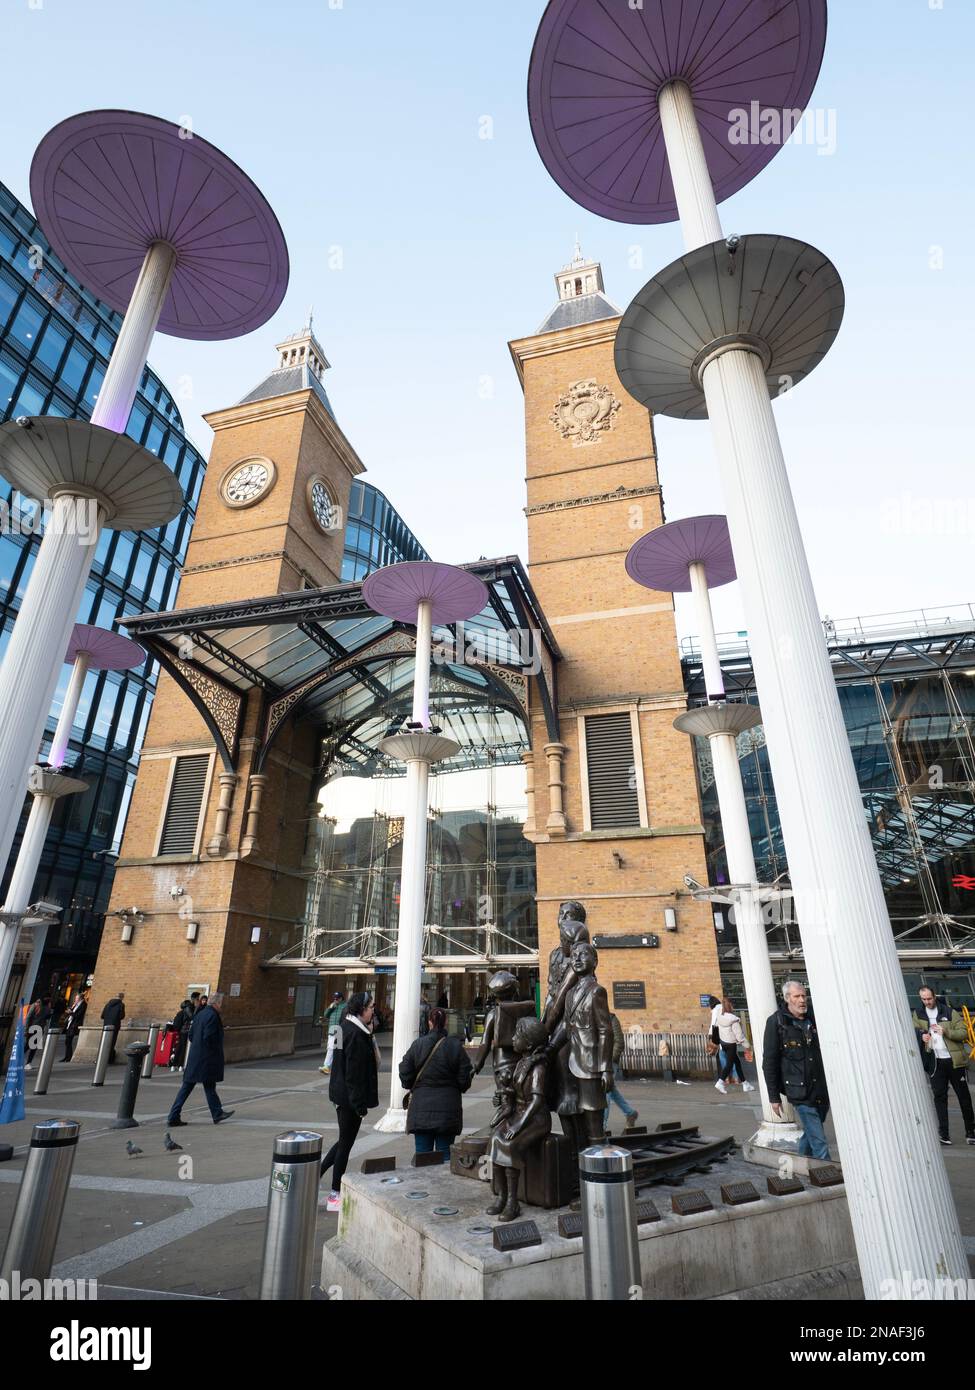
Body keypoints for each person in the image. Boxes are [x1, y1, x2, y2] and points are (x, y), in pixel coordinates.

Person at [321, 992, 380, 1213]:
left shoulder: (342, 1028)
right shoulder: (356, 1034)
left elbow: (336, 1062)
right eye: (371, 1007)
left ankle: (317, 1173)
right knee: (346, 1145)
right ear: (361, 1009)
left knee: (343, 1140)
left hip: (338, 1093)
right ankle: (335, 1194)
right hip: (348, 1098)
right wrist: (359, 1105)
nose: (373, 1010)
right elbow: (353, 1074)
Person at [762, 980, 831, 1160]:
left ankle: (800, 1164)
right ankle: (828, 1170)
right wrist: (774, 1097)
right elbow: (769, 1062)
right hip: (799, 1091)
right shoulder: (776, 1022)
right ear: (787, 998)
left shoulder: (814, 1017)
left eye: (803, 996)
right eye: (797, 996)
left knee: (812, 1132)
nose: (802, 1000)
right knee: (819, 1141)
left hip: (821, 1088)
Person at [399, 1006, 473, 1156]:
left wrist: (412, 1084)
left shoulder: (418, 1045)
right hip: (448, 1110)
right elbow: (465, 1077)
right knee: (445, 1157)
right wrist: (457, 1087)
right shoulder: (455, 1046)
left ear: (429, 1022)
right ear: (445, 1023)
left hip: (421, 1110)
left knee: (422, 1157)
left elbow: (404, 1071)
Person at [912, 987, 975, 1147]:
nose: (927, 1002)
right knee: (939, 1098)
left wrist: (946, 1031)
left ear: (934, 996)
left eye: (929, 998)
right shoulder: (918, 1014)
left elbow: (964, 1032)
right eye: (924, 999)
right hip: (935, 1062)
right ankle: (944, 1135)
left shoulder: (949, 1012)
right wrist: (922, 1035)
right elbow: (913, 1031)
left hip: (954, 1062)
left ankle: (971, 1132)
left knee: (964, 1098)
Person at [167, 993, 234, 1127]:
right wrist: (214, 1049)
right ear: (217, 1004)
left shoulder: (200, 1014)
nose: (222, 1007)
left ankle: (216, 1113)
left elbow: (191, 1035)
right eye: (221, 1004)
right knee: (198, 1086)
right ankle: (215, 1113)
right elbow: (209, 1037)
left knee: (199, 1086)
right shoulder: (213, 1015)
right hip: (206, 1058)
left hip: (195, 1056)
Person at [602, 1011, 639, 1133]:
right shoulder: (593, 1018)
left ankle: (602, 1127)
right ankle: (630, 1113)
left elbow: (619, 1042)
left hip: (610, 1062)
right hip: (598, 1063)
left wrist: (610, 1060)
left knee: (605, 1091)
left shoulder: (612, 1019)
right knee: (611, 1089)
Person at [714, 997, 755, 1094]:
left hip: (724, 1043)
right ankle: (720, 1082)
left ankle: (745, 1084)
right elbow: (739, 1035)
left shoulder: (720, 1017)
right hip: (731, 1044)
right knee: (729, 1064)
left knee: (737, 1063)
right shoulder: (733, 1019)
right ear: (730, 1006)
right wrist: (747, 1045)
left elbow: (717, 1029)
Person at [319, 992, 346, 1075]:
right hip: (332, 1030)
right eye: (334, 998)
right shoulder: (332, 1005)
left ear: (341, 998)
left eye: (337, 998)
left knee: (338, 1049)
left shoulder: (345, 1006)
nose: (335, 1000)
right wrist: (331, 1007)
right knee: (330, 1048)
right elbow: (326, 1015)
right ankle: (326, 1066)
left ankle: (333, 1067)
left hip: (340, 1030)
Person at [24, 996, 52, 1068]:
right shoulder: (47, 1009)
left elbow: (28, 1017)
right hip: (39, 1028)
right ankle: (28, 1063)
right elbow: (47, 1018)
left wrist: (26, 1029)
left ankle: (23, 1060)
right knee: (32, 1047)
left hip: (33, 1027)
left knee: (28, 1045)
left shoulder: (37, 1006)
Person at [62, 989, 89, 1062]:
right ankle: (66, 1057)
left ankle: (68, 1057)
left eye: (76, 998)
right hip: (70, 1024)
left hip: (74, 1025)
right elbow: (73, 1012)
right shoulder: (76, 1005)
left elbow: (78, 1015)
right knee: (67, 1041)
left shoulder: (83, 1005)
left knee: (69, 1041)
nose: (75, 999)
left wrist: (70, 1012)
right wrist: (70, 1010)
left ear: (80, 999)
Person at [100, 991, 125, 1063]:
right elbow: (121, 1016)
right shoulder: (121, 1004)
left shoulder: (108, 1004)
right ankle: (109, 1059)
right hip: (115, 1026)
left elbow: (102, 1016)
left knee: (104, 1042)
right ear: (122, 998)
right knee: (112, 1042)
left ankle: (101, 1058)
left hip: (106, 1026)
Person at [170, 999, 195, 1071]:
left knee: (179, 1047)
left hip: (180, 1031)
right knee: (183, 1048)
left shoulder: (181, 1012)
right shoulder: (188, 1011)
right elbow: (192, 1018)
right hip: (185, 1032)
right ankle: (180, 1065)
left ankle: (173, 1065)